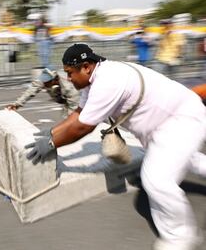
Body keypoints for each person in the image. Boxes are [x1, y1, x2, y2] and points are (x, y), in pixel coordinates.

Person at [25, 43, 206, 250]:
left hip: (180, 120)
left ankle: (181, 237)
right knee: (187, 160)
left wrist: (51, 143)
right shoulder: (94, 79)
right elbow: (80, 113)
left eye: (70, 73)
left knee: (157, 179)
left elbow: (83, 127)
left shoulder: (108, 81)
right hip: (163, 123)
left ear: (86, 67)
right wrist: (53, 132)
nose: (68, 79)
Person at [6, 68, 79, 117]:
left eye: (47, 82)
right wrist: (17, 104)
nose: (44, 85)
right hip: (64, 95)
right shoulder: (45, 80)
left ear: (54, 80)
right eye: (43, 82)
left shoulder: (69, 87)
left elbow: (74, 108)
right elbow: (31, 91)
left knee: (74, 117)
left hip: (79, 96)